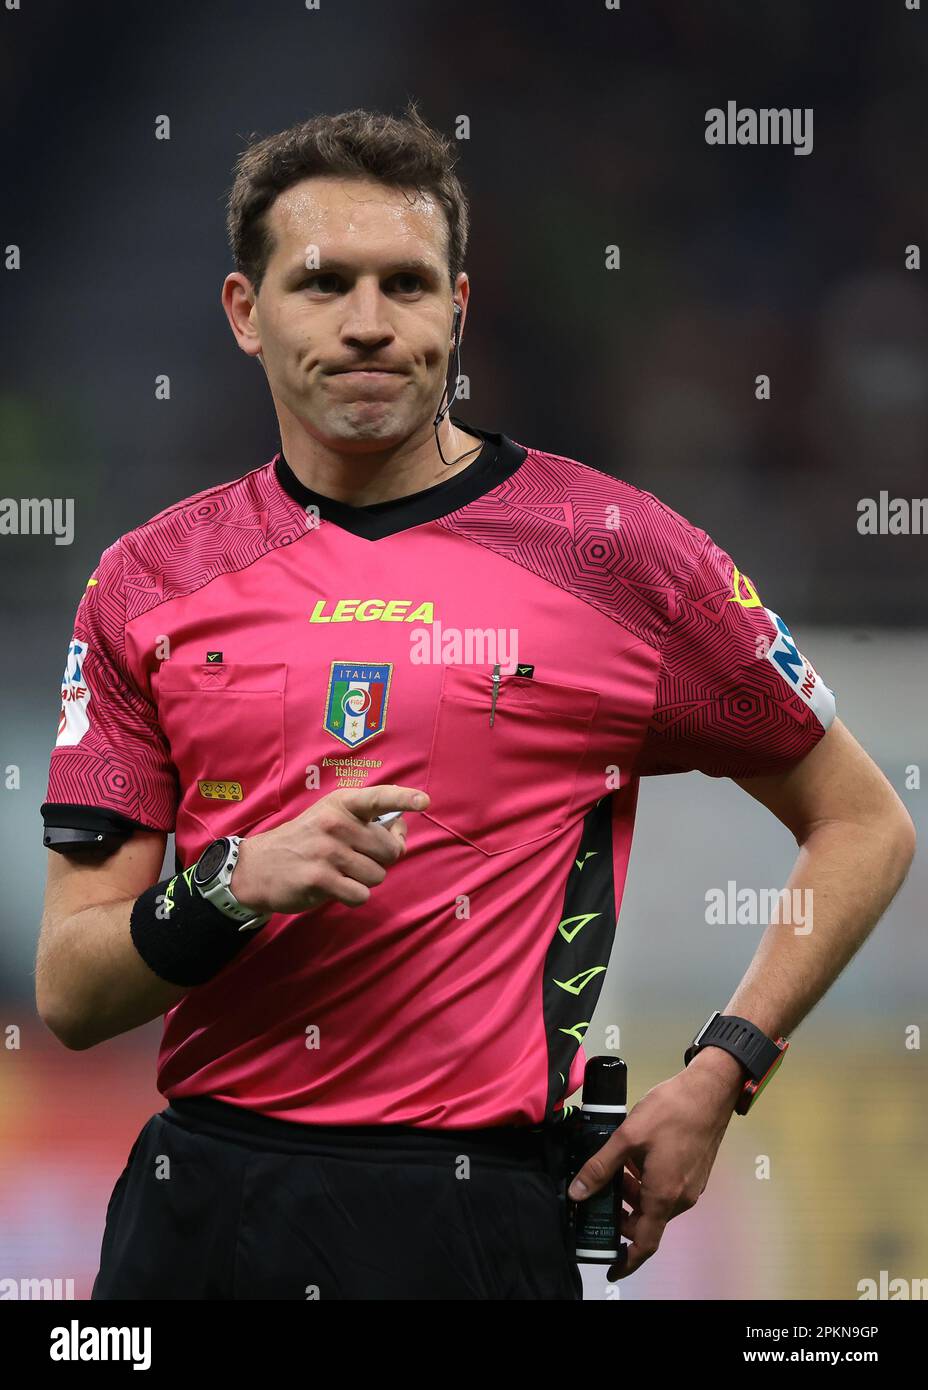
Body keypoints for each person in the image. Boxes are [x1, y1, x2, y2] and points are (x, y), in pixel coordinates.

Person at [36, 103, 915, 1301]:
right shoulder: (147, 580)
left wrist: (721, 1071)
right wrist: (233, 884)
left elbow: (863, 821)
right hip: (201, 1214)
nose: (365, 324)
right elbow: (74, 993)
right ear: (246, 313)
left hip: (472, 1219)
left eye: (405, 283)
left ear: (456, 305)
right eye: (321, 282)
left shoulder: (614, 553)